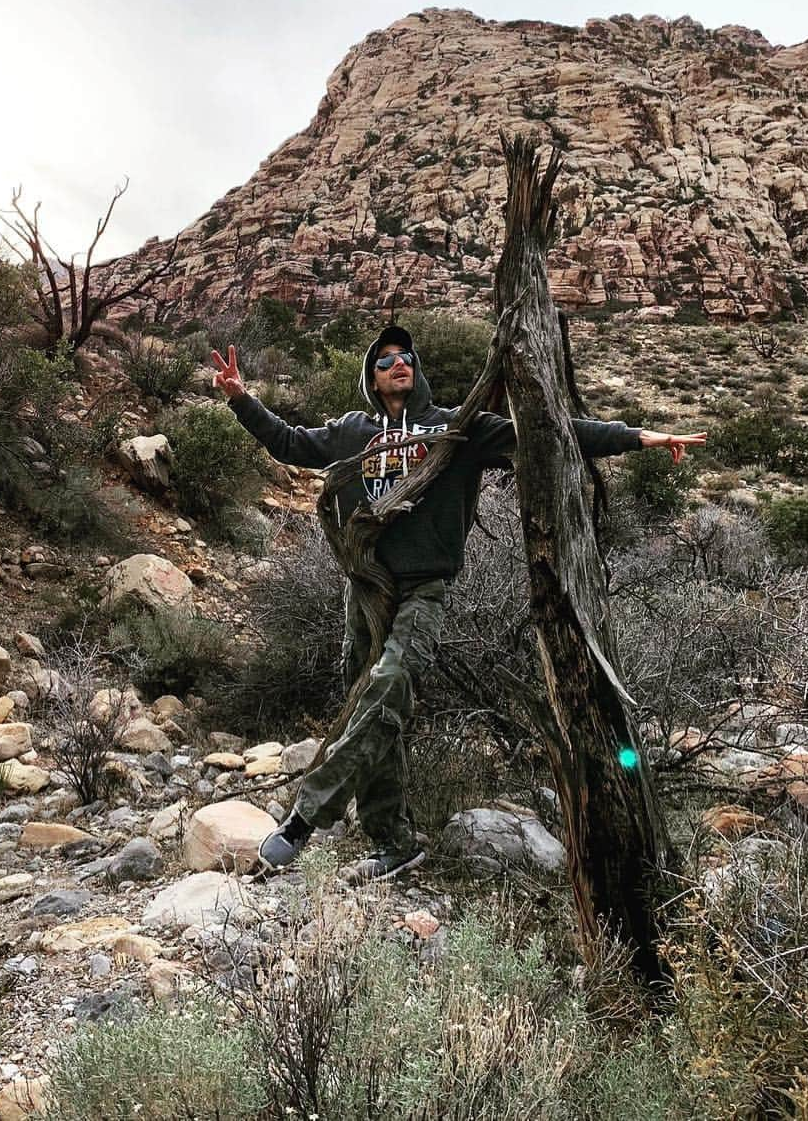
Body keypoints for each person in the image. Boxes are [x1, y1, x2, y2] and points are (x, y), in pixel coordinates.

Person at [211, 325, 706, 883]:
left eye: (407, 356)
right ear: (370, 378)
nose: (399, 363)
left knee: (390, 686)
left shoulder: (457, 428)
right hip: (366, 587)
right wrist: (241, 399)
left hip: (424, 588)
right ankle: (394, 842)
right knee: (368, 711)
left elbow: (546, 433)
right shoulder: (353, 431)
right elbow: (291, 443)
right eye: (385, 359)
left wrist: (638, 437)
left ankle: (304, 821)